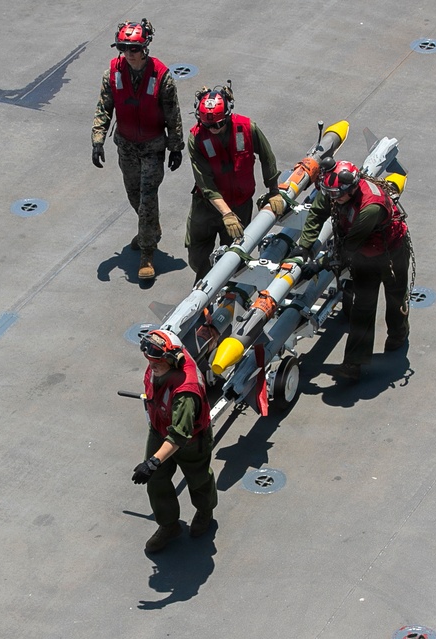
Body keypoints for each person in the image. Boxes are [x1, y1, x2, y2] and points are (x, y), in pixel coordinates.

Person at [294, 160, 411, 383]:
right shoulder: (335, 189)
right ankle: (353, 364)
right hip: (364, 257)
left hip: (390, 254)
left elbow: (349, 246)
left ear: (352, 188)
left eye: (337, 195)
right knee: (362, 308)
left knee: (396, 297)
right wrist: (305, 246)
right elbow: (318, 212)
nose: (333, 199)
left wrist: (319, 265)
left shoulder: (371, 207)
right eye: (330, 194)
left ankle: (398, 335)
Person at [91, 19, 184, 281]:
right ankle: (150, 228)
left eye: (134, 49)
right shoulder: (113, 72)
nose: (129, 54)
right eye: (124, 48)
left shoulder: (162, 76)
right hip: (126, 147)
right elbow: (104, 107)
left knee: (147, 198)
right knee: (134, 195)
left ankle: (147, 254)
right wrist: (98, 139)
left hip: (153, 148)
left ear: (145, 48)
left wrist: (175, 147)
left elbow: (172, 114)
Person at [185, 83, 284, 282]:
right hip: (207, 207)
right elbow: (205, 183)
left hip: (239, 204)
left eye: (218, 124)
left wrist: (274, 190)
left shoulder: (248, 128)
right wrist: (226, 213)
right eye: (208, 125)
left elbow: (267, 158)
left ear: (229, 114)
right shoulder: (196, 139)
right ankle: (205, 282)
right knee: (197, 259)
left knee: (233, 257)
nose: (214, 129)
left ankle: (220, 292)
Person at [131, 329, 217, 553]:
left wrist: (152, 462)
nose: (151, 365)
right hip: (160, 429)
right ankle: (169, 526)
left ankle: (205, 512)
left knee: (198, 480)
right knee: (156, 481)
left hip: (190, 441)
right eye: (149, 360)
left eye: (157, 361)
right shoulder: (158, 366)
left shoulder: (186, 391)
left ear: (172, 359)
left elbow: (179, 435)